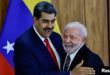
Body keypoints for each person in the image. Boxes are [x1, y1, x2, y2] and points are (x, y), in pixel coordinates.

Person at [14, 1, 95, 75]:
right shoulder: (23, 44)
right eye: (45, 21)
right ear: (35, 20)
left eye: (52, 21)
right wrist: (70, 74)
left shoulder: (55, 37)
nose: (50, 26)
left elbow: (67, 60)